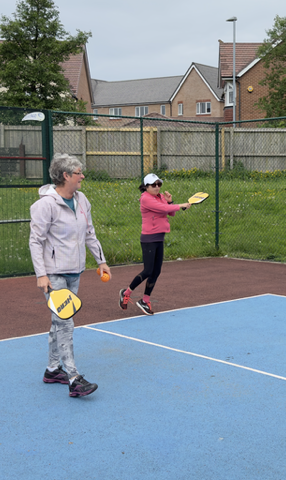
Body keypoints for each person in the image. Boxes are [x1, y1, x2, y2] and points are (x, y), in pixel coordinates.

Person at [29, 153, 110, 398]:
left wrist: (101, 260)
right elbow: (36, 241)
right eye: (78, 172)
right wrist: (41, 275)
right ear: (66, 175)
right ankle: (74, 378)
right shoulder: (44, 205)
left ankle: (53, 369)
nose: (82, 176)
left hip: (75, 271)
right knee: (65, 322)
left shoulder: (82, 199)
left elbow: (90, 232)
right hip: (53, 274)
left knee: (59, 322)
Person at [120, 173, 190, 315]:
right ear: (146, 187)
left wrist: (170, 202)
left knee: (156, 272)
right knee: (148, 271)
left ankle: (145, 301)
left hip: (159, 237)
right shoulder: (145, 199)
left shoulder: (161, 197)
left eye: (159, 184)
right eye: (153, 185)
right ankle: (126, 293)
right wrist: (179, 205)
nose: (157, 187)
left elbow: (170, 213)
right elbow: (163, 209)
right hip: (149, 239)